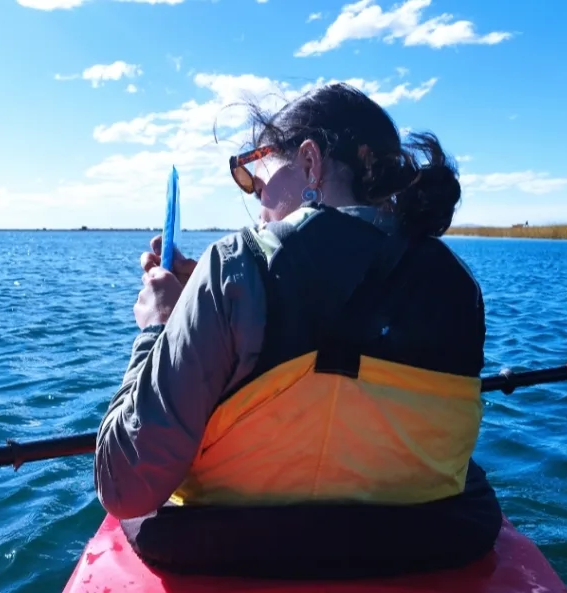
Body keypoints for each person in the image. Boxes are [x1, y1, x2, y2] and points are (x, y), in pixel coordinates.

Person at [94, 83, 502, 579]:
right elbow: (339, 298)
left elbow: (126, 486)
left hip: (227, 556)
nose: (257, 196)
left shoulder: (233, 268)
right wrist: (203, 296)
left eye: (258, 174)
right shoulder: (459, 285)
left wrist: (160, 328)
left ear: (310, 163)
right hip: (423, 548)